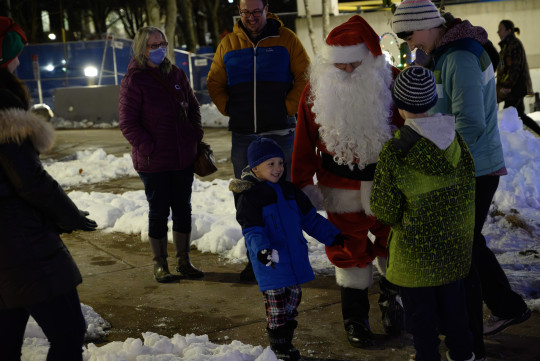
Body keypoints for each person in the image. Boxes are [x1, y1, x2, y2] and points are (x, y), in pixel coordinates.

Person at [391, 1, 531, 359]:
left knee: (461, 255)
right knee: (468, 246)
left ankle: (470, 344)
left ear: (426, 24)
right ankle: (505, 309)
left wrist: (439, 164)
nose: (409, 45)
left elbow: (470, 121)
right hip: (467, 164)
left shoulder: (460, 57)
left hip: (472, 168)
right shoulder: (446, 52)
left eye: (409, 36)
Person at [291, 15, 405, 348]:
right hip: (339, 187)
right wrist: (302, 183)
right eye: (340, 66)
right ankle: (355, 318)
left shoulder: (393, 81)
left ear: (371, 58)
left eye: (355, 63)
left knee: (394, 245)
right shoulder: (316, 91)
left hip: (387, 185)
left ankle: (392, 301)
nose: (349, 72)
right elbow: (303, 139)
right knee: (346, 248)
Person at [0, 16, 98, 360]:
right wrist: (69, 216)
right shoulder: (4, 107)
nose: (19, 60)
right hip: (20, 245)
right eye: (15, 53)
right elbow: (30, 181)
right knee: (69, 332)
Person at [371, 66, 476, 361]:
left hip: (415, 256)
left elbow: (384, 209)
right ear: (432, 101)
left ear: (400, 107)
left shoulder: (395, 152)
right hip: (453, 251)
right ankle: (463, 354)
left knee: (421, 319)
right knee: (456, 312)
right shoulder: (457, 142)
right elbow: (469, 190)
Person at [206, 0, 310, 281]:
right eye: (244, 12)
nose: (250, 18)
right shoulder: (228, 44)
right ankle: (257, 259)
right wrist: (230, 108)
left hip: (280, 134)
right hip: (244, 138)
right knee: (247, 199)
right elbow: (214, 82)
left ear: (266, 9)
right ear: (239, 12)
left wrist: (288, 107)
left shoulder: (287, 40)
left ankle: (289, 255)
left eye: (255, 11)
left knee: (284, 197)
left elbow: (305, 76)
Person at [229, 137, 346, 361]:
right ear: (255, 168)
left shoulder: (291, 190)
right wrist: (262, 251)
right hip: (271, 261)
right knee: (277, 308)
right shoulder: (251, 197)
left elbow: (310, 220)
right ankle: (280, 347)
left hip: (293, 258)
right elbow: (252, 231)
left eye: (280, 163)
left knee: (293, 300)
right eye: (270, 164)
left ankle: (286, 339)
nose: (277, 168)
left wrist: (333, 235)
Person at [119, 26, 204, 283]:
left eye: (163, 43)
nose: (159, 49)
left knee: (183, 209)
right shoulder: (135, 79)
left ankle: (183, 261)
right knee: (158, 211)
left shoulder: (176, 73)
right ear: (142, 49)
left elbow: (193, 106)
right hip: (153, 161)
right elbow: (127, 123)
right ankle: (160, 264)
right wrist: (150, 148)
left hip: (182, 158)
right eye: (153, 45)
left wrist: (195, 133)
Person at [496, 19, 539, 136]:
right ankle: (517, 141)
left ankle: (510, 142)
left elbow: (515, 68)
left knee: (507, 115)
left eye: (500, 29)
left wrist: (507, 86)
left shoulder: (513, 44)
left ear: (508, 31)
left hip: (514, 88)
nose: (497, 32)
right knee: (519, 114)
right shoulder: (507, 46)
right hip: (515, 88)